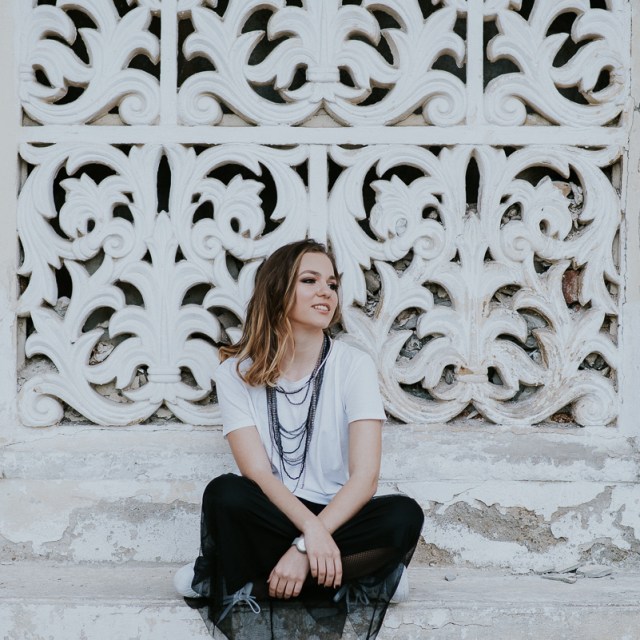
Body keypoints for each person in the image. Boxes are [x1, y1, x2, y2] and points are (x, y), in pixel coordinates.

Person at [174, 239, 424, 640]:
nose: (326, 291)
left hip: (337, 517)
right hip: (276, 512)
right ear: (278, 290)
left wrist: (304, 549)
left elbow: (365, 478)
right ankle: (364, 578)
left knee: (403, 515)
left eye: (332, 284)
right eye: (310, 280)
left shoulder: (353, 365)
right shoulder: (235, 374)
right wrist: (310, 535)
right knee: (226, 494)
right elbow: (257, 473)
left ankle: (244, 578)